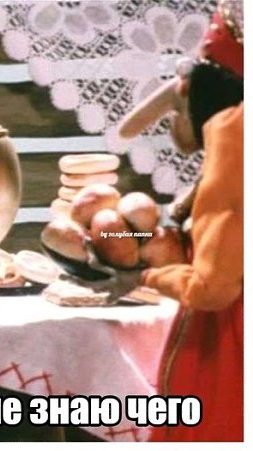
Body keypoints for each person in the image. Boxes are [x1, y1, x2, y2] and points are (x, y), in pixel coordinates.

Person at [118, 0, 243, 441]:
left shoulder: (235, 132)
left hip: (232, 347)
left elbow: (213, 287)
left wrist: (146, 276)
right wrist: (121, 231)